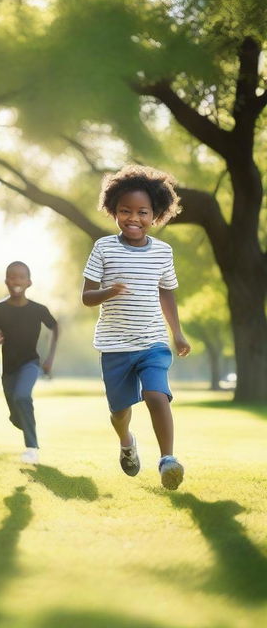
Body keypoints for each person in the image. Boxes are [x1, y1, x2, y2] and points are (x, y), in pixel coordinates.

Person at [81, 165, 191, 490]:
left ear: (155, 214)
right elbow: (87, 297)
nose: (133, 218)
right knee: (119, 412)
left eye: (142, 212)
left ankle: (167, 459)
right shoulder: (104, 248)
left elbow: (166, 292)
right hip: (115, 347)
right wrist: (108, 291)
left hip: (152, 342)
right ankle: (126, 441)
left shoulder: (163, 252)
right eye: (125, 210)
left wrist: (178, 332)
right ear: (113, 210)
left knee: (158, 396)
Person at [0, 261, 58, 465]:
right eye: (12, 277)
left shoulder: (38, 309)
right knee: (16, 414)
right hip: (8, 369)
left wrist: (50, 358)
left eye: (21, 277)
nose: (16, 281)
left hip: (30, 363)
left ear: (29, 282)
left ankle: (31, 448)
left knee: (22, 396)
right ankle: (22, 421)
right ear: (6, 281)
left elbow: (55, 327)